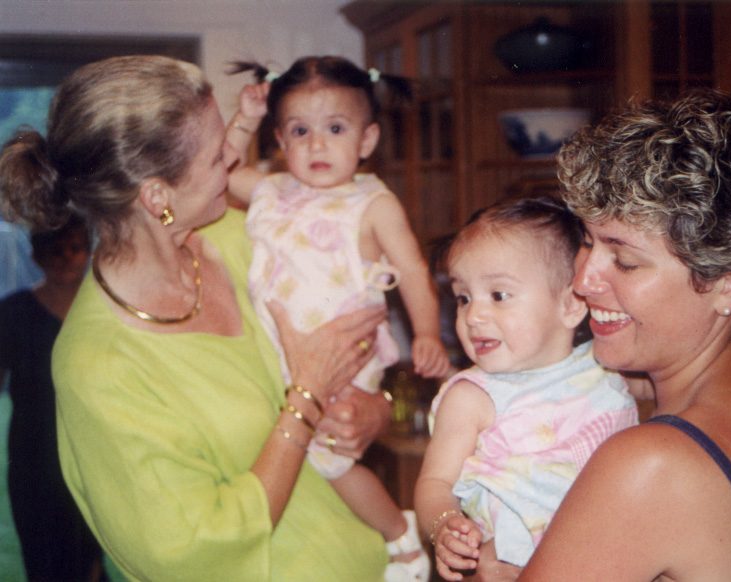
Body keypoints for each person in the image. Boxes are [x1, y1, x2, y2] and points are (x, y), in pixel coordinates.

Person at [0, 54, 396, 582]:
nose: (233, 159)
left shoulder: (244, 238)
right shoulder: (97, 363)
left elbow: (352, 348)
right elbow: (188, 550)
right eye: (215, 157)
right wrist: (306, 399)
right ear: (157, 197)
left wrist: (373, 411)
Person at [473, 89, 731, 581]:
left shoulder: (651, 464)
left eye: (625, 260)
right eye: (587, 241)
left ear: (727, 283)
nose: (583, 279)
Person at [226, 56, 452, 582]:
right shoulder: (271, 189)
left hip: (344, 358)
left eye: (335, 129)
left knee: (330, 460)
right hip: (278, 355)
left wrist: (426, 332)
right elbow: (224, 171)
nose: (317, 146)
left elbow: (413, 269)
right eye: (300, 131)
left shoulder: (373, 204)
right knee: (291, 452)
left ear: (367, 139)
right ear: (279, 139)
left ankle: (400, 537)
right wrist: (244, 120)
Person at [415, 196, 638, 580]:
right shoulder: (472, 397)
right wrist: (444, 524)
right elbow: (435, 481)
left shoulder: (605, 367)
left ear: (570, 305)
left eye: (498, 295)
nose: (473, 315)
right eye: (464, 298)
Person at [0, 213, 107, 582]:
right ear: (36, 257)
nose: (66, 258)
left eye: (75, 248)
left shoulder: (104, 309)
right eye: (54, 250)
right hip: (34, 456)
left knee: (90, 557)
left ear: (88, 251)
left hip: (92, 448)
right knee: (45, 560)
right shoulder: (13, 312)